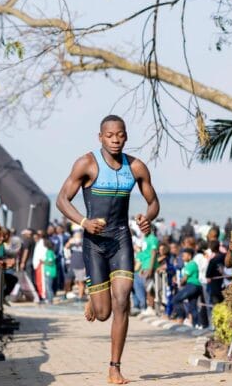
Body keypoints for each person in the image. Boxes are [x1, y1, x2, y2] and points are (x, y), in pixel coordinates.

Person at [56, 114, 160, 385]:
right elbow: (61, 199)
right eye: (110, 135)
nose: (115, 140)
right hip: (95, 243)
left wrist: (148, 217)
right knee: (103, 313)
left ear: (126, 136)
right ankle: (95, 297)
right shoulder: (87, 163)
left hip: (121, 239)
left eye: (120, 134)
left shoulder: (136, 167)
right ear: (100, 137)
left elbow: (153, 201)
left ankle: (114, 366)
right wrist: (83, 222)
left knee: (122, 300)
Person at [171, 248, 203, 328]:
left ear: (189, 256)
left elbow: (184, 278)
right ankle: (196, 324)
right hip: (195, 286)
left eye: (184, 256)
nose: (182, 258)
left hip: (192, 285)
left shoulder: (191, 264)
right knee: (193, 306)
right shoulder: (191, 264)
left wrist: (179, 282)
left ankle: (181, 317)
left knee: (176, 299)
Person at [65, 229, 87, 301]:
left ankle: (80, 297)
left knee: (81, 282)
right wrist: (70, 241)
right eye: (76, 235)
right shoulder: (72, 242)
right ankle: (68, 294)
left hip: (81, 265)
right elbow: (66, 247)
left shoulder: (84, 242)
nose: (77, 236)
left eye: (78, 235)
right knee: (69, 280)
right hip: (72, 265)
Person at [43, 238, 58, 304]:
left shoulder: (49, 252)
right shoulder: (51, 251)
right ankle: (48, 299)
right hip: (49, 271)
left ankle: (50, 300)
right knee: (48, 286)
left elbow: (50, 262)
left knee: (49, 287)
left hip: (49, 271)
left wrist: (43, 262)